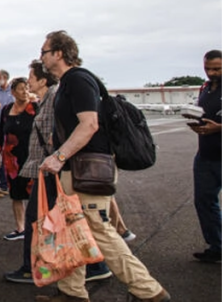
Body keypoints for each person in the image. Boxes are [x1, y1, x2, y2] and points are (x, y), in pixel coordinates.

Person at [36, 30, 169, 302]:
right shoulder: (69, 83)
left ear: (58, 53)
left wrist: (59, 155)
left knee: (99, 230)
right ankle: (72, 292)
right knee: (73, 230)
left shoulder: (78, 79)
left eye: (44, 52)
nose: (41, 58)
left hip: (87, 170)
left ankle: (149, 291)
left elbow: (90, 124)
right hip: (76, 169)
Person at [3, 60, 111, 285]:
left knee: (39, 218)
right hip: (48, 166)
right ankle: (92, 266)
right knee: (60, 218)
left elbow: (66, 130)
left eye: (31, 78)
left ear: (43, 80)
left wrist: (58, 156)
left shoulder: (53, 98)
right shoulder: (46, 99)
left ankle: (34, 268)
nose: (28, 82)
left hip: (52, 167)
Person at [0, 77, 35, 241]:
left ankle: (36, 227)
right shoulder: (6, 110)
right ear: (13, 92)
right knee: (16, 194)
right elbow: (1, 132)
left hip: (32, 156)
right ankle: (20, 227)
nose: (25, 91)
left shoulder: (35, 108)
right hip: (11, 159)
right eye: (21, 88)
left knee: (34, 192)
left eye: (27, 88)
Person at [191, 49, 221, 263]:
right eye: (207, 69)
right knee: (204, 202)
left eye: (217, 69)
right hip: (206, 155)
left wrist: (218, 128)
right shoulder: (205, 88)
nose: (211, 73)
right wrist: (198, 125)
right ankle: (217, 246)